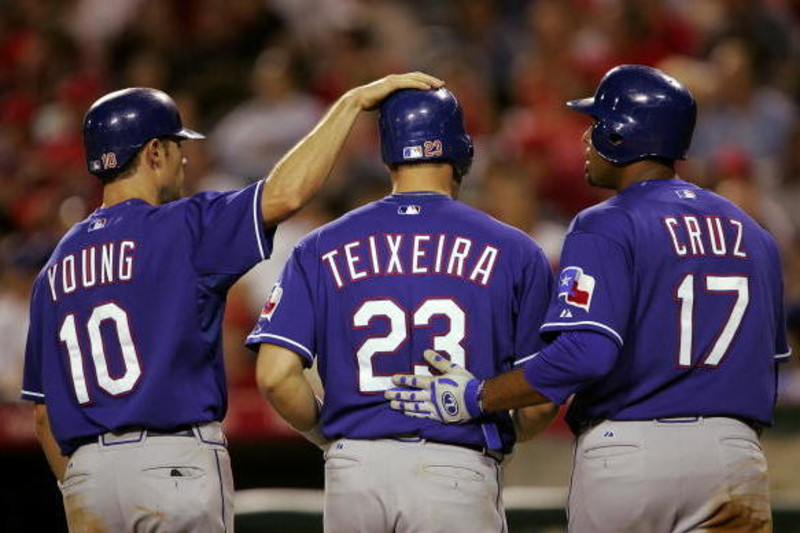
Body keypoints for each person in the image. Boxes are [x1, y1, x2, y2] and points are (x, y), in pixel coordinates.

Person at [21, 72, 443, 532]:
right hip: (170, 464)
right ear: (154, 152)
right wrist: (350, 104)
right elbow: (286, 194)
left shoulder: (56, 267)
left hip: (88, 477)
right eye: (178, 147)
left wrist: (82, 483)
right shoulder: (181, 227)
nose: (185, 160)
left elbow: (44, 416)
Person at [388, 65, 791, 532]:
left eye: (596, 126)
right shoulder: (755, 235)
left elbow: (585, 354)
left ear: (622, 136)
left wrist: (479, 395)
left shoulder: (607, 222)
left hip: (632, 454)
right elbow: (769, 363)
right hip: (733, 456)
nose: (585, 140)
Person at [246, 88, 557, 532]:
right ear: (462, 153)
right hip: (456, 466)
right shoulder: (516, 249)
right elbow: (540, 402)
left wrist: (328, 432)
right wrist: (504, 429)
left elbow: (275, 377)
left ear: (387, 154)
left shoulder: (319, 245)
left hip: (355, 468)